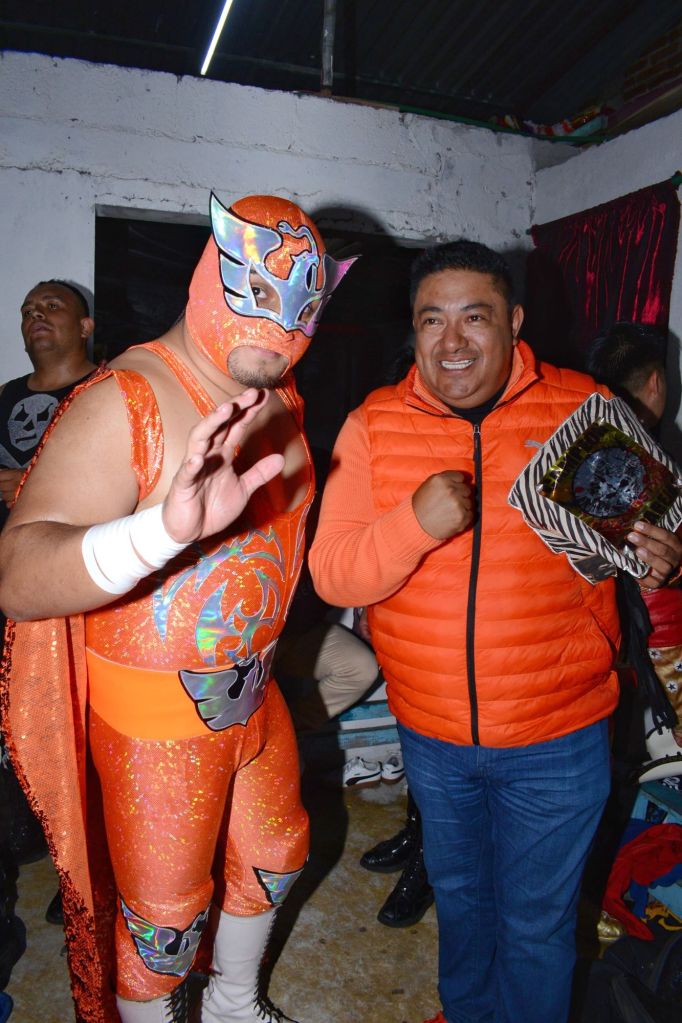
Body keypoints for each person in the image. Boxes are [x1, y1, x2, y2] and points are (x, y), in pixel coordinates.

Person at [0, 193, 354, 1023]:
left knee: (277, 853)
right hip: (154, 721)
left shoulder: (280, 391)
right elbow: (17, 572)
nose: (281, 324)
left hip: (254, 690)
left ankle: (233, 1004)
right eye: (258, 291)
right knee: (163, 922)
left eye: (305, 304)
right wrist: (158, 532)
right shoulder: (125, 396)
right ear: (208, 270)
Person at [309, 240, 682, 1023]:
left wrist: (661, 559)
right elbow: (334, 575)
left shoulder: (583, 408)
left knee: (537, 927)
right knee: (463, 904)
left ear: (513, 322)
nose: (451, 341)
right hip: (434, 738)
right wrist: (414, 523)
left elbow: (646, 538)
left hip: (561, 736)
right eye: (431, 320)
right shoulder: (373, 424)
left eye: (473, 317)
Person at [0, 280, 96, 929]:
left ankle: (84, 872)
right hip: (8, 587)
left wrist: (34, 488)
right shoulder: (7, 396)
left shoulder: (107, 394)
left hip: (70, 593)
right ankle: (27, 834)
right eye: (28, 310)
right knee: (17, 731)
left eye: (52, 306)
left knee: (76, 736)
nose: (36, 316)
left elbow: (131, 492)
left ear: (85, 326)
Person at [587, 322, 682, 777]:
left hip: (604, 642)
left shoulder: (578, 456)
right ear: (656, 382)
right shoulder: (661, 462)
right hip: (664, 638)